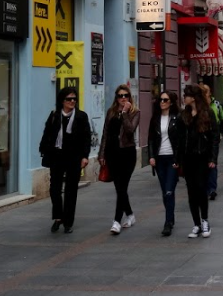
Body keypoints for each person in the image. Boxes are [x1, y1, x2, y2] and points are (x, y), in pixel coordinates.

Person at [39, 87, 92, 234]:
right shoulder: (55, 115)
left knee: (71, 190)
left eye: (74, 99)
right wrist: (43, 150)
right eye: (69, 99)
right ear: (62, 100)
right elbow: (47, 133)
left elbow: (86, 138)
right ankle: (58, 217)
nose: (72, 101)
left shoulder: (81, 116)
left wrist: (85, 156)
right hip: (56, 156)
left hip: (74, 157)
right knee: (54, 189)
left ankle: (68, 222)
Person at [177, 85, 219, 238]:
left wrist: (213, 158)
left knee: (201, 189)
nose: (184, 97)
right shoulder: (184, 115)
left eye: (186, 95)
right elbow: (180, 139)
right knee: (191, 191)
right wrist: (178, 159)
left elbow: (215, 136)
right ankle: (196, 224)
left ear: (193, 97)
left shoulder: (207, 113)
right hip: (188, 158)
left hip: (202, 157)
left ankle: (205, 220)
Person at [98, 84, 140, 235]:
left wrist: (125, 113)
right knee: (119, 188)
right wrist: (101, 154)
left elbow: (130, 130)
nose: (123, 98)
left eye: (125, 96)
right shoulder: (110, 112)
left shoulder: (135, 112)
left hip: (127, 154)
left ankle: (116, 221)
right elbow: (105, 133)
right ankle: (130, 215)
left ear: (129, 97)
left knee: (122, 187)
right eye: (120, 96)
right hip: (112, 154)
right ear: (116, 98)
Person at [147, 91, 180, 236]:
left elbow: (180, 140)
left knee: (169, 190)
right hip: (160, 159)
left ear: (171, 102)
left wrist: (179, 159)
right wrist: (151, 156)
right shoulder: (155, 118)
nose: (162, 102)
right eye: (160, 99)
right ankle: (170, 217)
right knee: (165, 192)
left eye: (165, 100)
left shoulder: (177, 118)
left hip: (172, 158)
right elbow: (151, 139)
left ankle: (167, 223)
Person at [201, 84, 223, 201]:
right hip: (200, 141)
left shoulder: (215, 105)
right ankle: (204, 187)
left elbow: (222, 119)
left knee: (212, 163)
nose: (206, 94)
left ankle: (212, 189)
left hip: (212, 138)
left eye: (207, 92)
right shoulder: (196, 108)